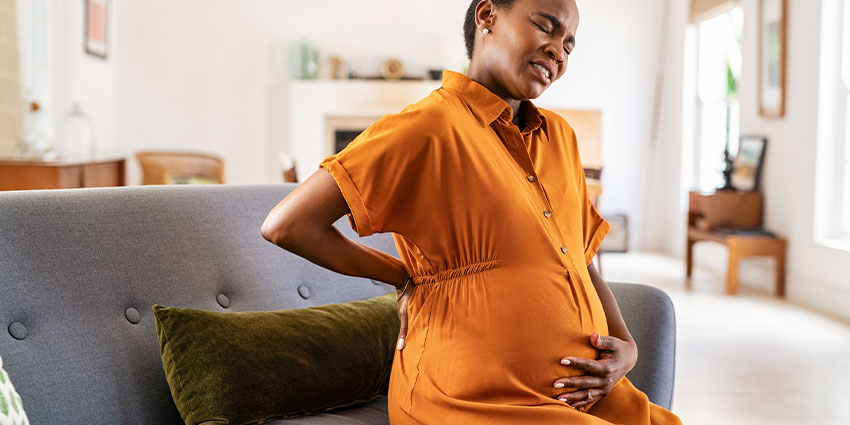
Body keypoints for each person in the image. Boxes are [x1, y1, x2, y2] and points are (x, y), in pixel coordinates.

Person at [261, 0, 683, 423]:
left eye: (569, 45)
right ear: (487, 16)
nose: (558, 51)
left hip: (584, 394)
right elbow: (288, 225)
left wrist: (626, 344)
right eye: (545, 27)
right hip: (469, 396)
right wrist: (403, 277)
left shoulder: (561, 137)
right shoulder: (424, 128)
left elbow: (580, 256)